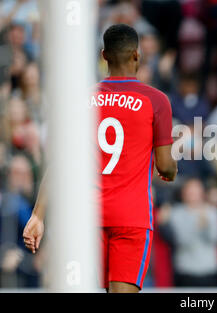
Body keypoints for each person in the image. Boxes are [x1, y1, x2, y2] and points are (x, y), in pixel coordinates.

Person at [22, 24, 177, 293]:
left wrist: (38, 214)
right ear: (137, 55)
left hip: (88, 216)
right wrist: (171, 170)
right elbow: (164, 165)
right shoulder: (156, 100)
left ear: (104, 56)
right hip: (132, 217)